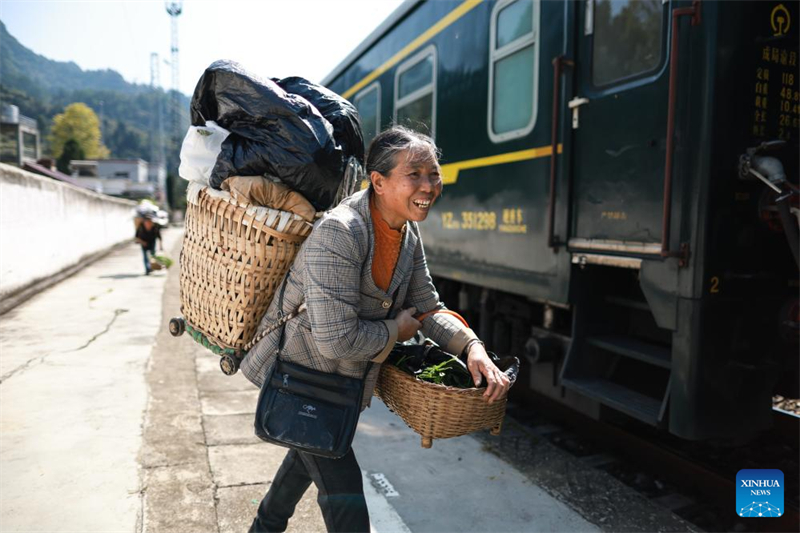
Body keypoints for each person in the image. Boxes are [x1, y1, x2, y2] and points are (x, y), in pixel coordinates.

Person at [241, 126, 511, 533]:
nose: (429, 186)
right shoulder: (340, 232)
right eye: (415, 174)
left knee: (307, 455)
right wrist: (395, 332)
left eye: (434, 174)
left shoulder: (407, 233)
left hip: (339, 386)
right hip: (299, 376)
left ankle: (263, 527)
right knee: (345, 493)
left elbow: (427, 306)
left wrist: (471, 345)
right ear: (378, 182)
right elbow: (336, 340)